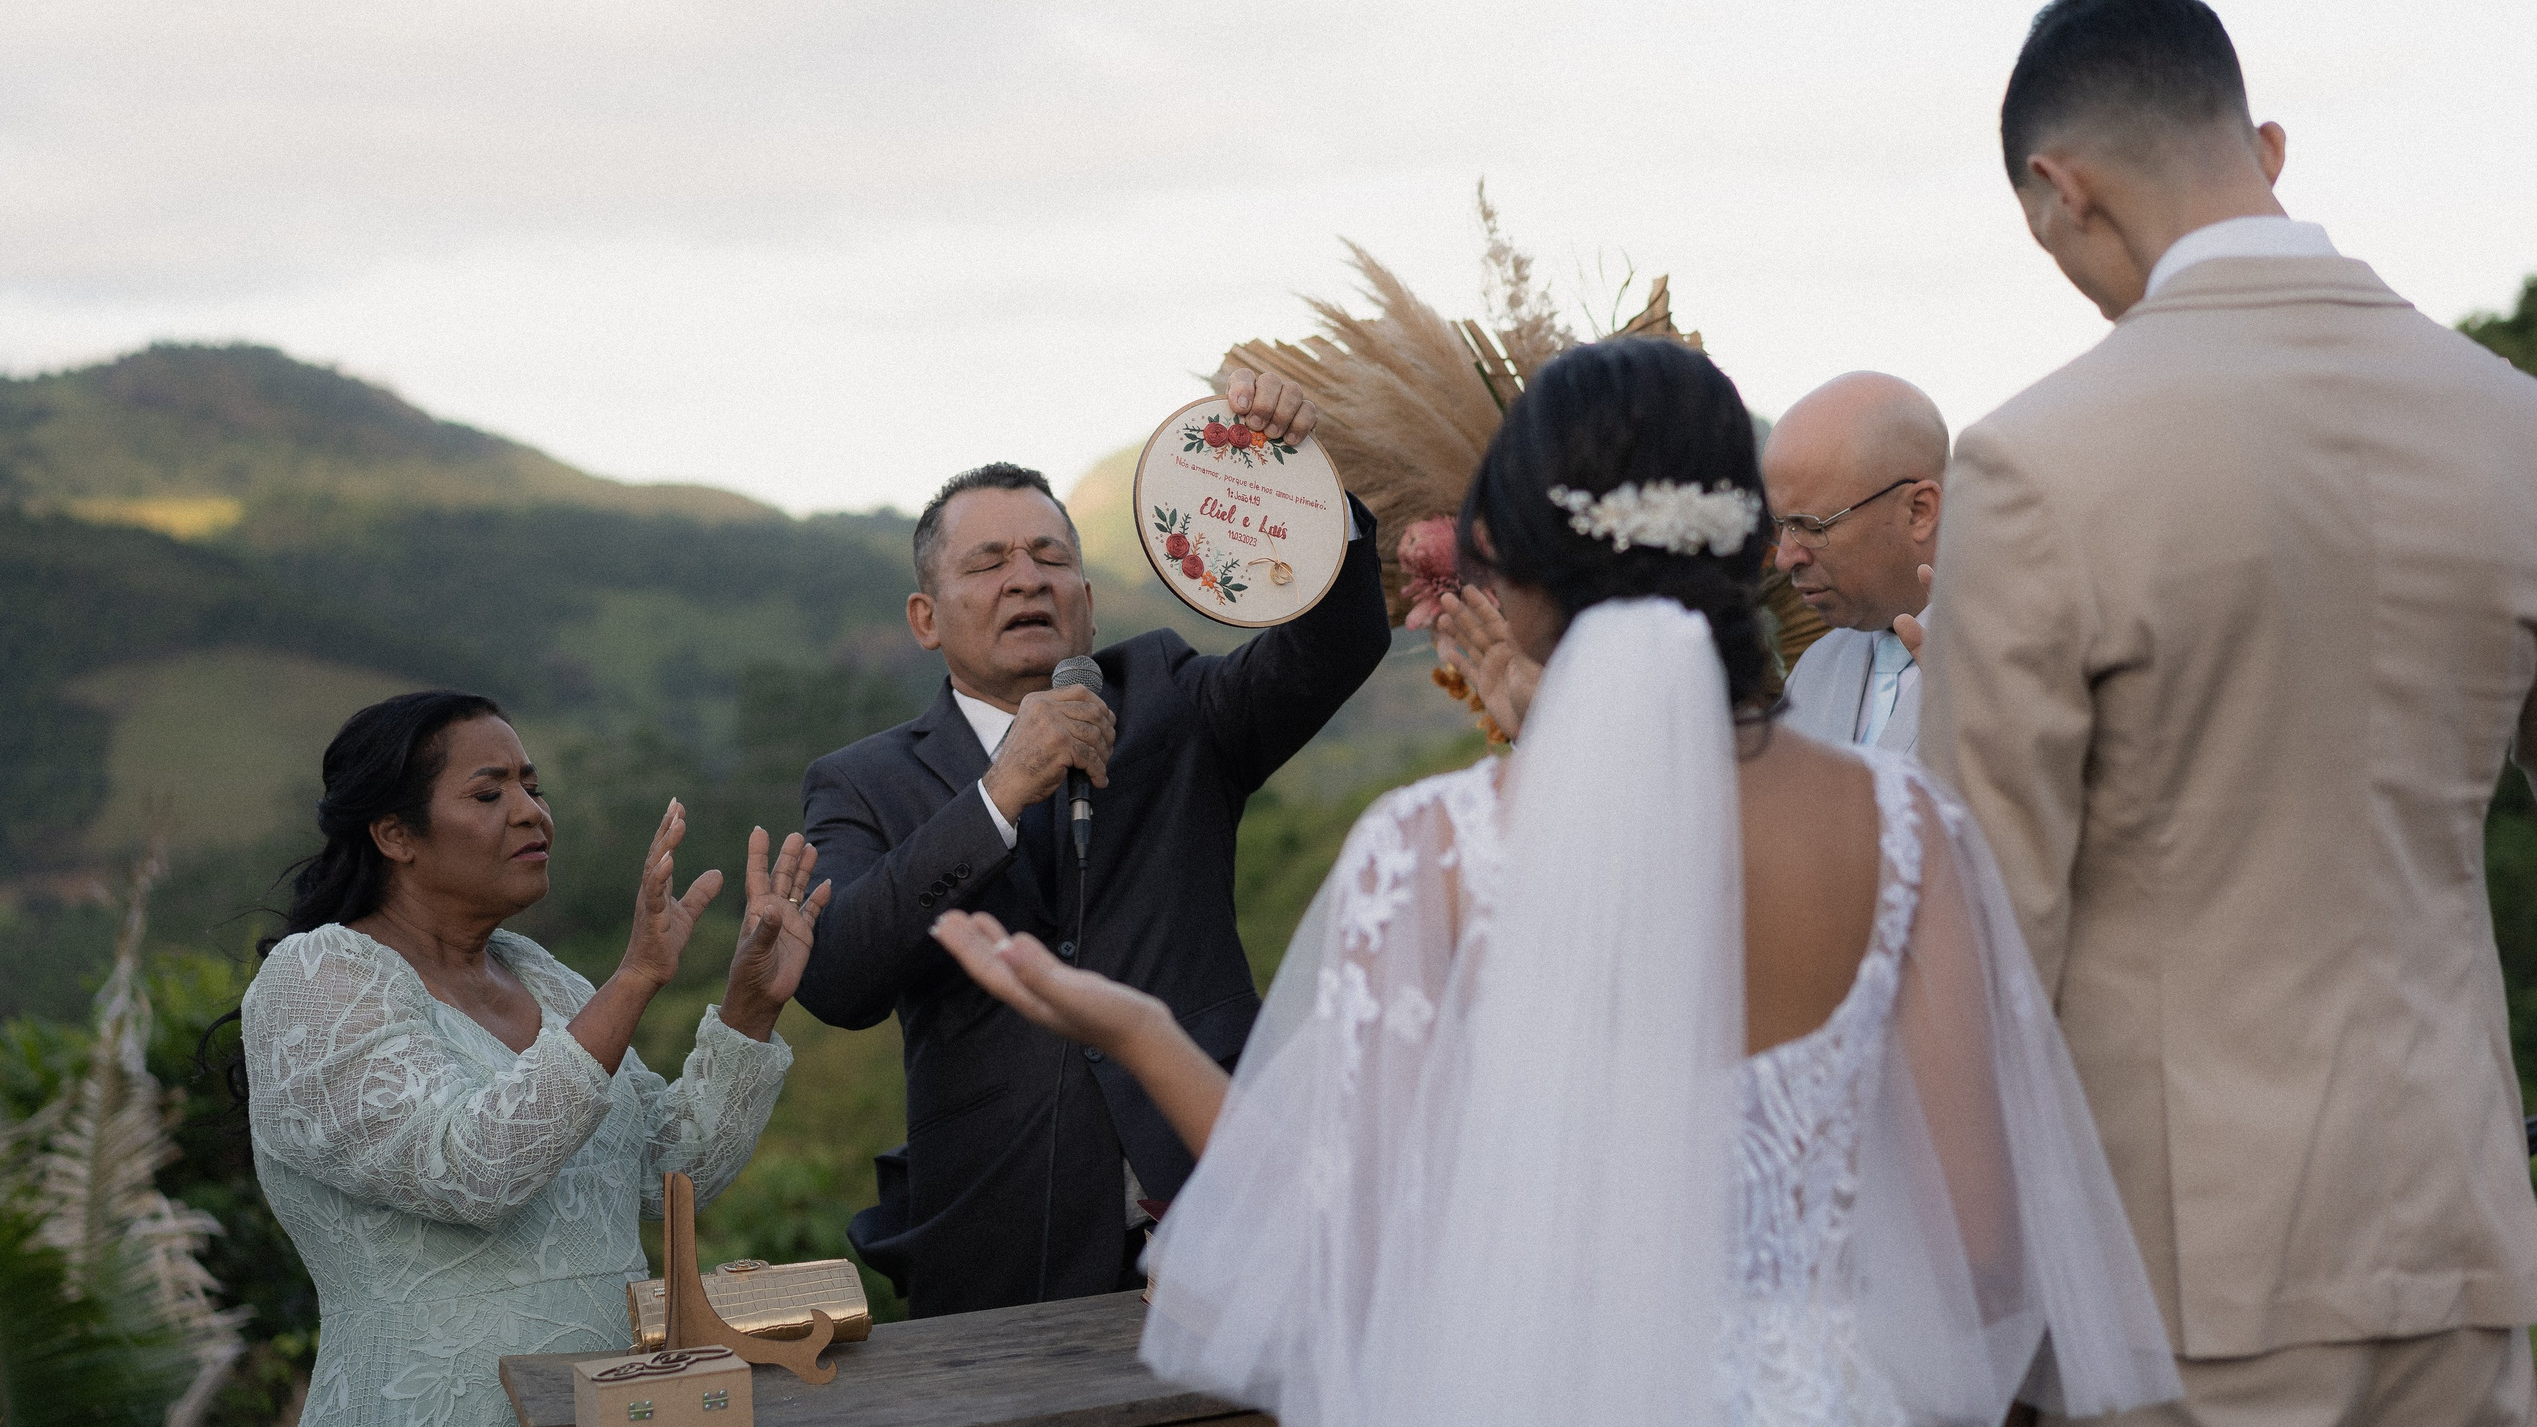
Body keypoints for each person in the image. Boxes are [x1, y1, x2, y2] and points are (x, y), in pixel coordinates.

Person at [933, 337, 2179, 1425]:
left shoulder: (1430, 856)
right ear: (1747, 546)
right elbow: (1985, 1249)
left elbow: (1332, 1250)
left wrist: (1141, 1034)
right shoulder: (1909, 831)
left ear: (1508, 565)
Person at [1920, 0, 2537, 1425]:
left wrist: (1966, 1297)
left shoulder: (2036, 463)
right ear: (2262, 147)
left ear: (2061, 190)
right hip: (2464, 1231)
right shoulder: (2509, 423)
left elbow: (1988, 928)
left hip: (2175, 1280)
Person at [793, 368, 1391, 1316]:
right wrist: (999, 791)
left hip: (1226, 1211)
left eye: (1049, 556)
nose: (1026, 577)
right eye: (988, 563)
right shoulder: (862, 781)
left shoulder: (1169, 698)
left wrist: (1310, 492)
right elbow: (836, 976)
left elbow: (1334, 648)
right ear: (925, 618)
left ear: (1086, 595)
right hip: (1003, 1243)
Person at [239, 691, 824, 1427]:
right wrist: (635, 977)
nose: (531, 812)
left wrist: (750, 1008)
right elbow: (472, 1170)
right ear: (394, 834)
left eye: (533, 786)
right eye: (489, 793)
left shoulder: (542, 977)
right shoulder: (315, 978)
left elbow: (668, 1175)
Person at [1763, 371, 1946, 753]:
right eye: (1780, 527)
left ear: (1919, 511)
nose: (1784, 558)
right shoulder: (1815, 669)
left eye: (1811, 526)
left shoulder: (2026, 662)